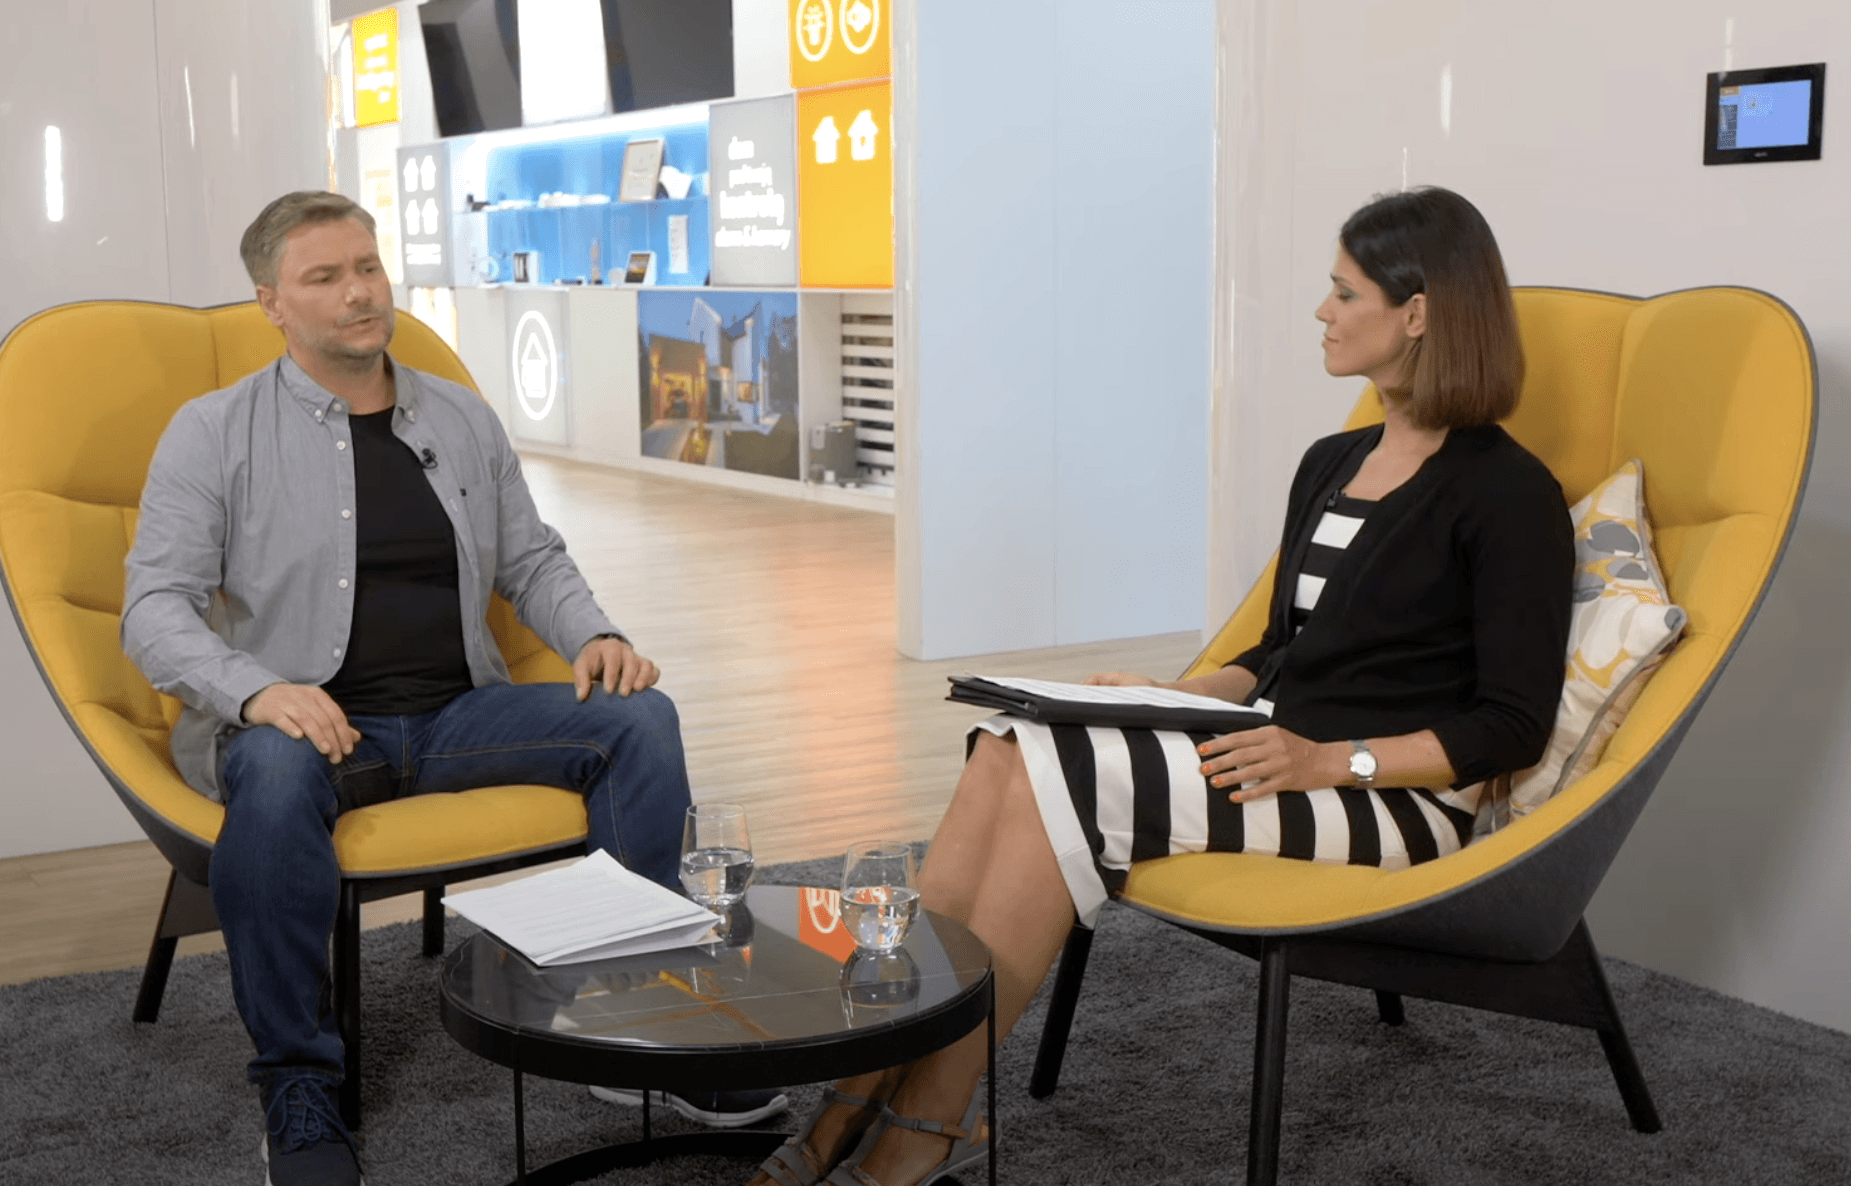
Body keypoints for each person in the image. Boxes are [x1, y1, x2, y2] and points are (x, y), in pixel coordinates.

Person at [749, 187, 1574, 1186]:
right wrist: (1170, 692)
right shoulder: (1333, 461)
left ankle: (925, 1120)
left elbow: (1512, 723)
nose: (1320, 310)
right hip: (1275, 746)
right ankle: (861, 1089)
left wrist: (1329, 760)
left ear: (1417, 314)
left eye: (1343, 291)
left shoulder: (1508, 494)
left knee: (1065, 780)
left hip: (1393, 798)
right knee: (1012, 742)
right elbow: (1282, 651)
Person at [121, 191, 783, 1186]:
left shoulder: (459, 415)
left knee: (639, 719)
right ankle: (298, 1085)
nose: (359, 292)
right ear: (272, 303)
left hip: (459, 714)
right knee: (271, 770)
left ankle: (642, 1016)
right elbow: (152, 610)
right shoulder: (214, 431)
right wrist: (257, 693)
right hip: (314, 729)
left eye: (367, 267)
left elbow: (533, 557)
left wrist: (594, 633)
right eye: (325, 277)